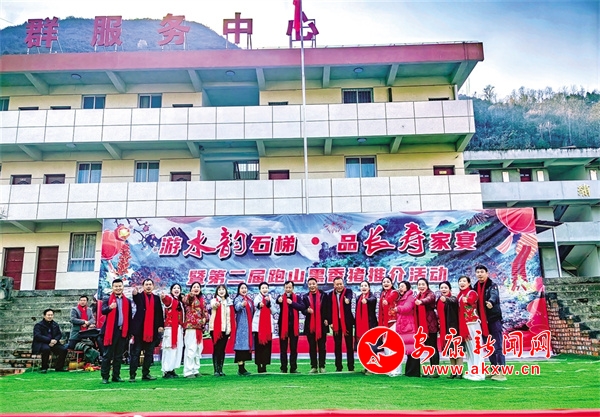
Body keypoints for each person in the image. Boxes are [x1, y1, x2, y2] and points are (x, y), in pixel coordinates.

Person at [473, 264, 507, 381]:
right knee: (489, 347)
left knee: (497, 346)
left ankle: (501, 372)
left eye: (482, 272)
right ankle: (494, 370)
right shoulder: (475, 287)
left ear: (487, 273)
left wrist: (491, 302)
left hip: (493, 319)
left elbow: (494, 296)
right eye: (478, 272)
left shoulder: (492, 285)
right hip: (483, 321)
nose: (480, 274)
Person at [129, 278, 164, 382]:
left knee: (149, 354)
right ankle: (132, 375)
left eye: (150, 284)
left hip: (152, 330)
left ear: (153, 286)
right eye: (146, 284)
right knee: (136, 353)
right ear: (143, 286)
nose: (148, 286)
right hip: (140, 331)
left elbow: (159, 313)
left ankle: (146, 374)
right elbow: (136, 299)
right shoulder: (139, 296)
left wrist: (160, 325)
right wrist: (134, 294)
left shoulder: (156, 298)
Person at [100, 278, 132, 384]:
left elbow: (129, 317)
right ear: (112, 288)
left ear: (123, 287)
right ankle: (105, 377)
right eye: (116, 286)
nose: (118, 288)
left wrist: (129, 332)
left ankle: (116, 376)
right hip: (110, 332)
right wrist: (110, 307)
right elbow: (103, 311)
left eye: (120, 286)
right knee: (107, 355)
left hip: (122, 332)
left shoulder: (127, 301)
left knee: (118, 356)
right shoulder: (107, 299)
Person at [458, 275, 485, 381]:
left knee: (477, 349)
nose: (462, 283)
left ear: (469, 283)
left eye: (464, 281)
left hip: (473, 324)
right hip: (464, 325)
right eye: (460, 281)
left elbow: (472, 300)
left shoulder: (472, 293)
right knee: (469, 351)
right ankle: (472, 371)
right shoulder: (460, 295)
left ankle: (480, 373)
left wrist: (467, 300)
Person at [301, 277, 329, 374]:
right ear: (308, 286)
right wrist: (307, 311)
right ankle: (314, 367)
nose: (312, 286)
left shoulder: (323, 295)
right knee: (312, 347)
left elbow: (327, 308)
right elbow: (303, 310)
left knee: (322, 347)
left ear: (317, 285)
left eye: (313, 284)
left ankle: (322, 366)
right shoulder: (305, 297)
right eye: (310, 284)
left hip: (322, 325)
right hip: (310, 325)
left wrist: (327, 319)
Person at [276, 280, 304, 373]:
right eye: (286, 287)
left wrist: (292, 303)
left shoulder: (297, 297)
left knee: (293, 348)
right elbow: (277, 300)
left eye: (290, 287)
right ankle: (283, 368)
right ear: (284, 288)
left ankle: (293, 368)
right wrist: (279, 300)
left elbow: (302, 307)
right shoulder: (281, 297)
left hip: (294, 327)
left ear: (293, 288)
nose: (288, 289)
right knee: (283, 348)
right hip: (283, 326)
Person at [328, 277, 355, 372]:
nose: (339, 286)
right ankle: (338, 367)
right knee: (337, 345)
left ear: (343, 284)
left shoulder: (348, 291)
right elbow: (329, 309)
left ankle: (351, 366)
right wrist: (330, 322)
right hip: (336, 322)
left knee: (349, 345)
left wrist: (348, 300)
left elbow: (349, 297)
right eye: (337, 284)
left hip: (347, 322)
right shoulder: (330, 295)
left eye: (341, 284)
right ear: (334, 285)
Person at [414, 278, 440, 377]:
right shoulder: (418, 296)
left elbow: (428, 300)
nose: (421, 286)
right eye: (419, 284)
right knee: (429, 347)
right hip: (423, 325)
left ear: (427, 285)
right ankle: (432, 370)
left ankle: (435, 371)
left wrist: (421, 302)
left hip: (431, 325)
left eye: (423, 284)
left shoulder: (430, 294)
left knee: (433, 347)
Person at [437, 280, 462, 378]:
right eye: (442, 288)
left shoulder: (453, 298)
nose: (443, 289)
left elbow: (452, 301)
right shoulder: (439, 300)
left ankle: (459, 372)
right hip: (445, 329)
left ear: (450, 289)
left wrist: (446, 300)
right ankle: (453, 372)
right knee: (450, 351)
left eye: (445, 287)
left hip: (454, 328)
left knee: (457, 350)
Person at [181, 281, 207, 378]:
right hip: (191, 327)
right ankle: (188, 371)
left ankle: (195, 369)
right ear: (191, 289)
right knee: (191, 349)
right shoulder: (188, 297)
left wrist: (205, 318)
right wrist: (190, 295)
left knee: (198, 349)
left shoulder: (202, 299)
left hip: (199, 328)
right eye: (194, 287)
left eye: (198, 287)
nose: (196, 288)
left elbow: (205, 312)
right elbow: (186, 300)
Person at [32, 308, 68, 373]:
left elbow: (59, 334)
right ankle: (44, 367)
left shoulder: (55, 324)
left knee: (63, 349)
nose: (50, 316)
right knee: (46, 349)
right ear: (44, 316)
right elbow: (37, 336)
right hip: (42, 343)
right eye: (48, 315)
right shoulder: (38, 325)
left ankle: (59, 367)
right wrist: (49, 340)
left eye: (51, 315)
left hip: (54, 343)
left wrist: (55, 340)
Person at [396, 281, 420, 377]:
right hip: (404, 325)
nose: (400, 288)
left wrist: (398, 308)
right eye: (399, 286)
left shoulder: (410, 297)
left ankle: (413, 372)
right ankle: (410, 371)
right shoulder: (401, 297)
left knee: (412, 349)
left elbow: (407, 308)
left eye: (402, 286)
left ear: (407, 288)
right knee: (409, 350)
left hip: (409, 326)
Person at [160, 283, 184, 379]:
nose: (176, 289)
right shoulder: (170, 299)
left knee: (177, 350)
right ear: (171, 290)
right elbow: (166, 301)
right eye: (174, 288)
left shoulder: (180, 301)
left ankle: (172, 369)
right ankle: (166, 370)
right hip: (170, 328)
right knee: (169, 349)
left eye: (178, 288)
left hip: (178, 328)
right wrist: (163, 297)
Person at [209, 284, 234, 377]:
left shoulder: (229, 302)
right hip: (215, 329)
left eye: (223, 289)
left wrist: (230, 329)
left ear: (226, 291)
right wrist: (216, 304)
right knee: (216, 348)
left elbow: (230, 317)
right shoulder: (214, 300)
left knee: (222, 349)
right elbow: (213, 305)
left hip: (226, 329)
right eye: (219, 290)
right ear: (217, 292)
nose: (221, 291)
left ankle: (220, 369)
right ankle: (216, 370)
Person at [252, 282, 277, 373]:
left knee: (267, 346)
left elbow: (274, 311)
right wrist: (260, 304)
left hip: (268, 326)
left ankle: (265, 365)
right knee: (259, 346)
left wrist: (269, 303)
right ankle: (259, 365)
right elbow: (256, 304)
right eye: (263, 288)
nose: (265, 289)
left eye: (266, 288)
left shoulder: (270, 298)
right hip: (258, 326)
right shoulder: (257, 297)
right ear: (260, 289)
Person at [378, 276, 400, 376]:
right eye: (384, 282)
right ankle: (389, 368)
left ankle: (396, 370)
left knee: (393, 346)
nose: (386, 283)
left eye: (388, 282)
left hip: (393, 322)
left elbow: (391, 298)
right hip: (384, 323)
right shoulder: (382, 294)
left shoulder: (394, 292)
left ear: (391, 283)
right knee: (386, 346)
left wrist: (387, 301)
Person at [233, 283, 254, 376]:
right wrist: (242, 304)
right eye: (242, 288)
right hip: (241, 327)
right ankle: (240, 368)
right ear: (239, 290)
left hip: (248, 327)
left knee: (245, 348)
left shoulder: (249, 300)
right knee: (240, 348)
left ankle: (243, 368)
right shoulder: (238, 299)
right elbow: (236, 307)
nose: (244, 290)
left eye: (245, 288)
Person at [354, 280, 377, 346]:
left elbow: (373, 300)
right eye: (362, 286)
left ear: (369, 288)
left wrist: (367, 300)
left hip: (370, 322)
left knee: (371, 343)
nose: (363, 287)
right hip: (359, 323)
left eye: (365, 286)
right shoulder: (358, 298)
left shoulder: (372, 296)